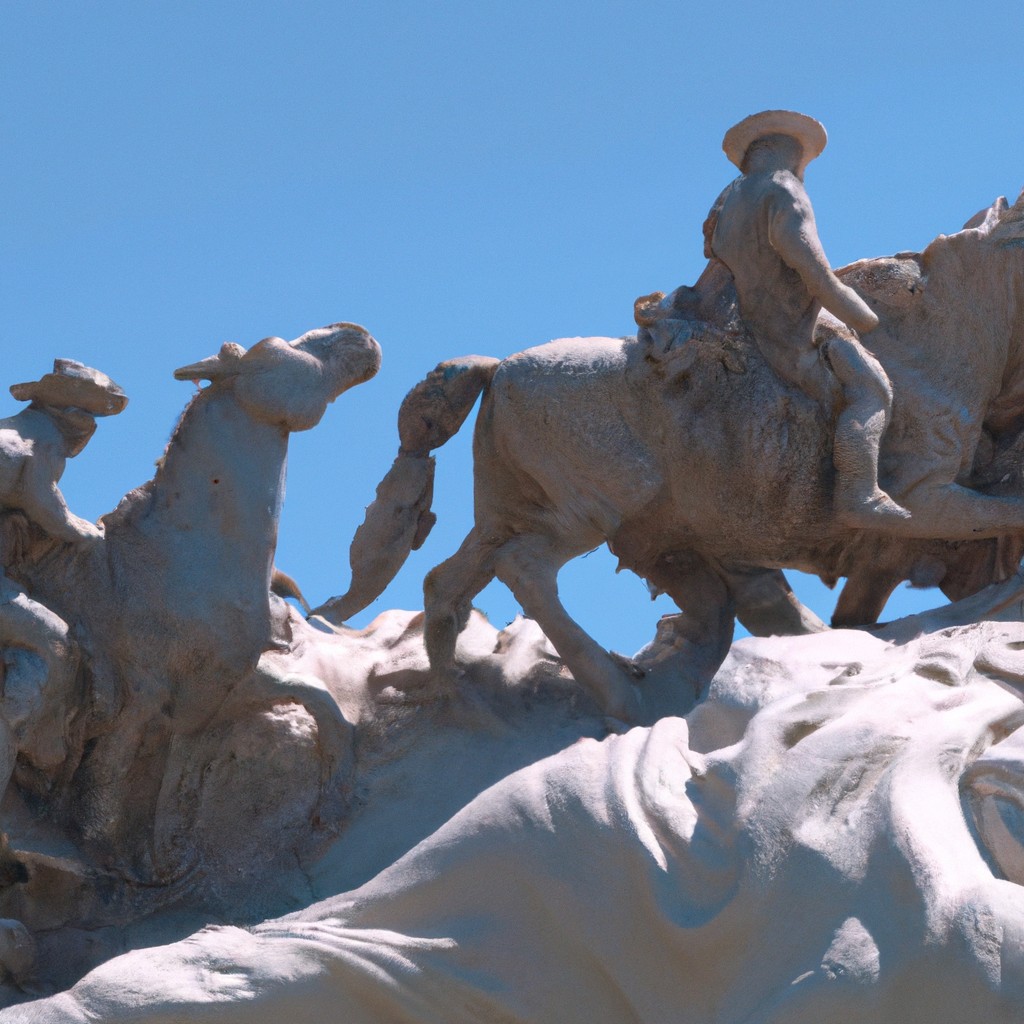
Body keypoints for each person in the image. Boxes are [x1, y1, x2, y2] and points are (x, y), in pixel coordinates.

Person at [704, 110, 909, 526]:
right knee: (871, 388)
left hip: (734, 320)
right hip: (785, 332)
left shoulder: (727, 198)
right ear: (789, 153)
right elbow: (816, 275)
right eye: (801, 158)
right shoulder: (784, 189)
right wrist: (872, 322)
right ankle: (859, 491)